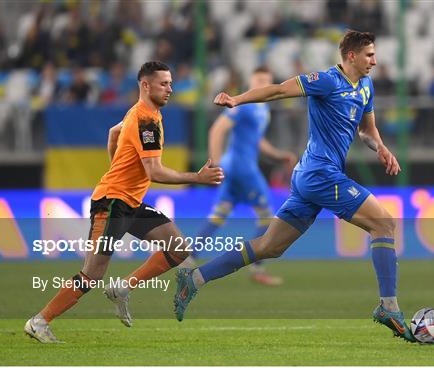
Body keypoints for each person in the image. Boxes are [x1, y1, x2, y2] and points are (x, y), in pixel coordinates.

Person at [173, 30, 416, 343]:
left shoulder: (366, 87)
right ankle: (389, 306)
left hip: (310, 178)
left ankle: (195, 278)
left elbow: (367, 131)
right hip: (320, 174)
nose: (375, 60)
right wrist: (237, 99)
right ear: (351, 56)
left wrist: (380, 147)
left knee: (269, 247)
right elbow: (277, 91)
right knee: (384, 223)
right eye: (369, 55)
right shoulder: (326, 80)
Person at [24, 61, 224, 343]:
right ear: (145, 85)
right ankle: (39, 321)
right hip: (112, 204)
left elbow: (113, 134)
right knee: (92, 273)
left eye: (170, 83)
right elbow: (154, 172)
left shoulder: (143, 113)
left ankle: (123, 288)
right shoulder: (145, 120)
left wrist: (116, 168)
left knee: (178, 248)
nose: (170, 89)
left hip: (129, 202)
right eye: (163, 83)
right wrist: (197, 177)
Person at [185, 66, 297, 286]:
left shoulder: (262, 108)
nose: (263, 84)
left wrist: (279, 155)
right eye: (259, 80)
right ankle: (257, 268)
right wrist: (214, 163)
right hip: (242, 167)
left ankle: (188, 259)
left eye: (267, 80)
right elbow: (217, 130)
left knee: (220, 213)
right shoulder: (245, 105)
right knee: (266, 215)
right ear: (251, 81)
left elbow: (256, 140)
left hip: (235, 166)